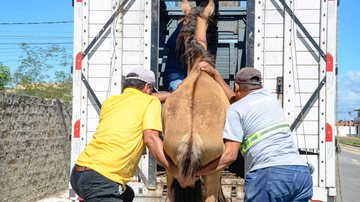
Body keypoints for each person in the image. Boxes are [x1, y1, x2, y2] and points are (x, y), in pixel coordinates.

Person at [196, 64, 313, 201]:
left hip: (270, 175)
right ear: (259, 86)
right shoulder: (270, 99)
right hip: (302, 175)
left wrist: (198, 172)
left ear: (237, 87)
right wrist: (216, 74)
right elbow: (236, 100)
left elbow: (229, 156)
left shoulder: (235, 111)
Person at [70, 68, 181, 202]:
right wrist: (176, 172)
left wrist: (170, 95)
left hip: (78, 175)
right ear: (147, 87)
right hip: (101, 180)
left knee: (127, 195)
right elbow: (151, 139)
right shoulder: (151, 102)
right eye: (151, 90)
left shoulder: (110, 102)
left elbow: (141, 98)